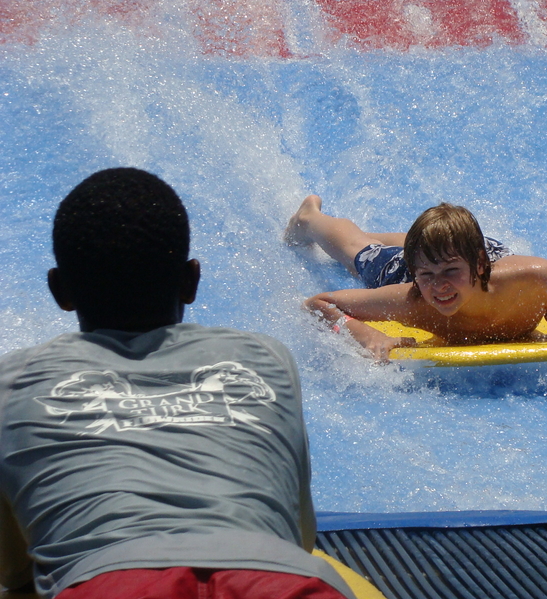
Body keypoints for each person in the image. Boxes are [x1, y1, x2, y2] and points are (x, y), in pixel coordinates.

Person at [0, 169, 355, 599]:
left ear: (59, 291)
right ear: (191, 281)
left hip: (112, 586)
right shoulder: (265, 360)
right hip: (280, 580)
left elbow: (16, 571)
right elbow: (297, 536)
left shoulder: (14, 384)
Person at [285, 196, 547, 363]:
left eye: (450, 274)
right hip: (419, 260)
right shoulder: (409, 296)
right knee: (361, 252)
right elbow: (318, 303)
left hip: (483, 252)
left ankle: (429, 248)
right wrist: (365, 335)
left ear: (480, 264)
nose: (438, 286)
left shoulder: (535, 279)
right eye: (427, 276)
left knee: (438, 251)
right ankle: (310, 217)